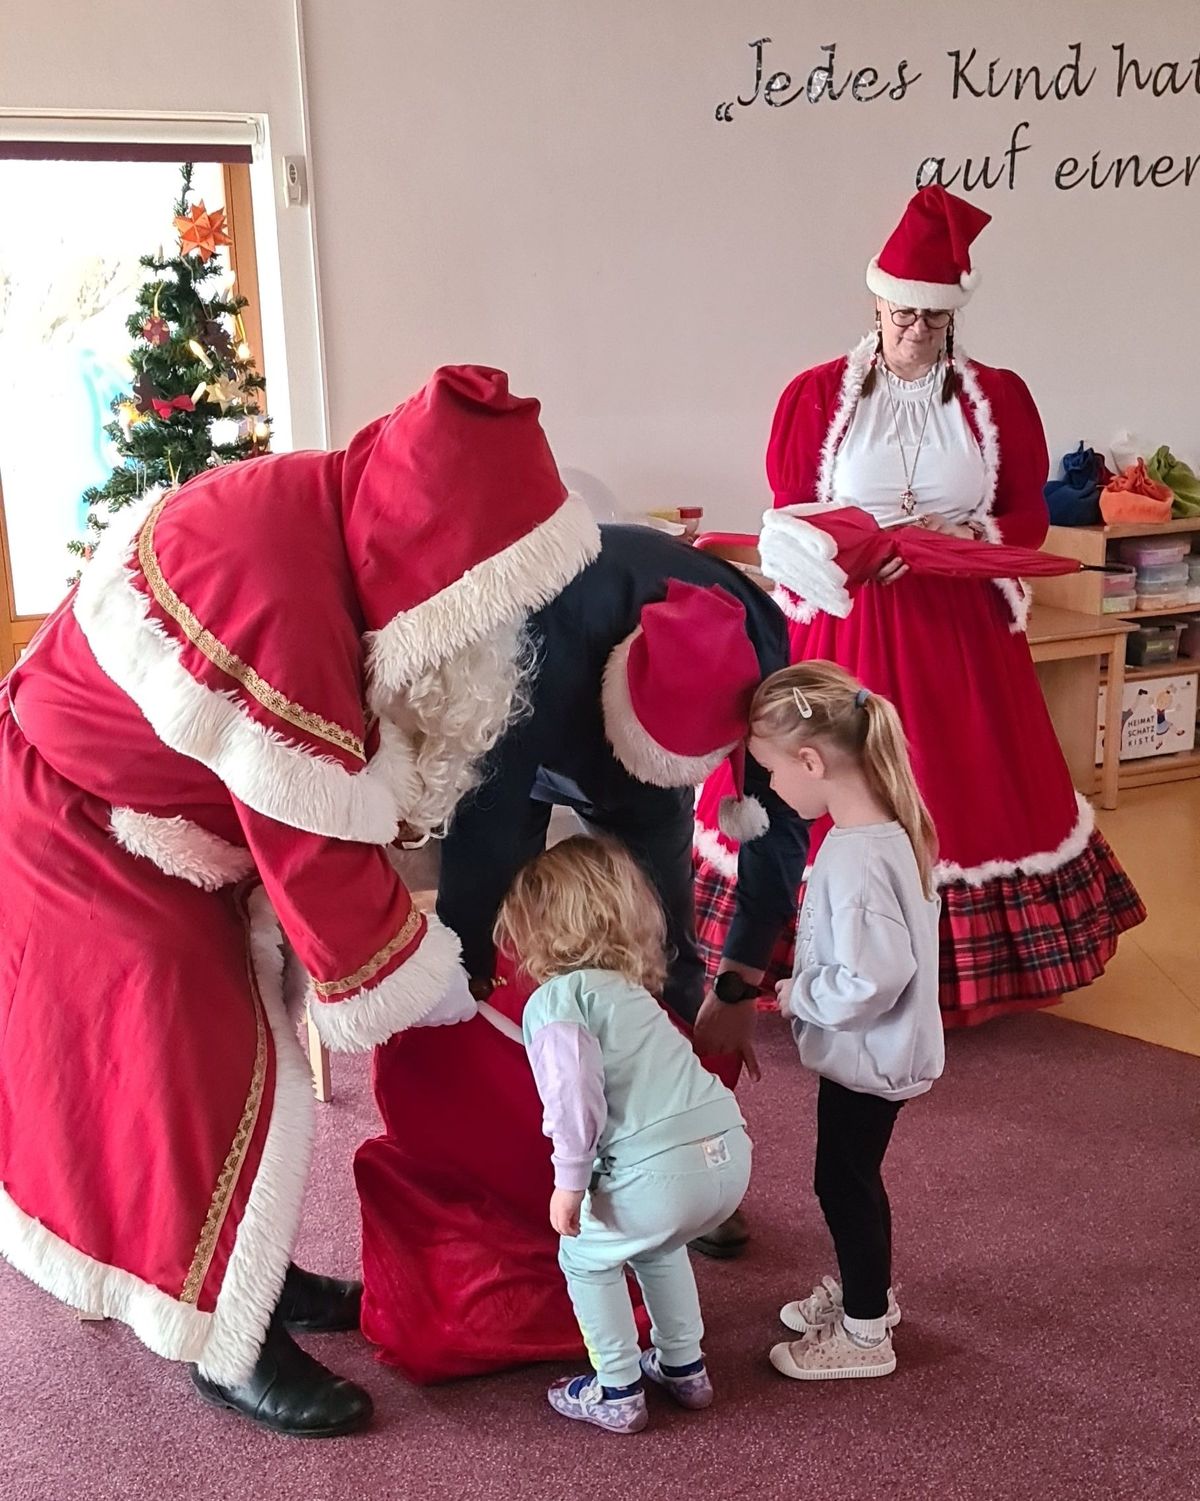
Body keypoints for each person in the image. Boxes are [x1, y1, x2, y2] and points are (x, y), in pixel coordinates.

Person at [0, 365, 600, 1437]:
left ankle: (253, 1275)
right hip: (85, 825)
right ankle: (228, 1343)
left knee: (242, 1046)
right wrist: (437, 998)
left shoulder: (336, 529)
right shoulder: (279, 599)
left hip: (146, 813)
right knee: (203, 1064)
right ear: (446, 562)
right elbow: (317, 852)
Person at [694, 183, 1144, 1025]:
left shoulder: (998, 398)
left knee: (957, 788)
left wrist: (965, 529)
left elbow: (1027, 514)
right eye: (899, 312)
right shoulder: (814, 396)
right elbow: (790, 514)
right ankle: (807, 962)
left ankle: (950, 982)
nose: (911, 329)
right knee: (833, 776)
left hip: (958, 631)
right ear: (875, 302)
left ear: (951, 319)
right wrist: (852, 542)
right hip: (848, 625)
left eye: (929, 319)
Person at [355, 564, 807, 1383]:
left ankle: (656, 1177)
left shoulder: (760, 641)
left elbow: (773, 834)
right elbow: (475, 899)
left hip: (635, 776)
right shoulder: (524, 648)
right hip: (510, 747)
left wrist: (736, 988)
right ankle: (496, 1186)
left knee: (662, 951)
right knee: (474, 952)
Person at [496, 836, 752, 1434]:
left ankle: (616, 1387)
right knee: (659, 1245)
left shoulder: (557, 1000)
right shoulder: (630, 992)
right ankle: (684, 1367)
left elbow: (573, 1099)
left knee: (585, 1259)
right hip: (727, 1152)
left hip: (661, 1172)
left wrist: (570, 1182)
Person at [748, 662, 942, 1381]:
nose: (769, 786)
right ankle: (869, 1294)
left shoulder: (859, 857)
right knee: (851, 1175)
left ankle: (865, 1331)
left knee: (843, 1181)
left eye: (770, 769)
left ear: (811, 761)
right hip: (879, 1052)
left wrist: (801, 995)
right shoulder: (887, 829)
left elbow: (874, 975)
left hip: (871, 1055)